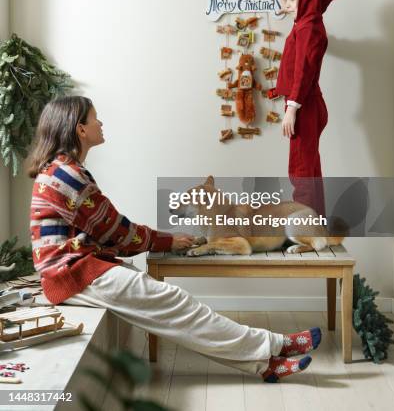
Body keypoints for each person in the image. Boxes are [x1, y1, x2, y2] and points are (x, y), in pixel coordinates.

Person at [28, 96, 322, 383]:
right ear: (80, 129)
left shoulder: (64, 170)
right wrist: (167, 241)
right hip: (74, 274)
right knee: (177, 302)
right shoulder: (66, 175)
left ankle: (264, 364)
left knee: (175, 314)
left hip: (82, 269)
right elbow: (117, 231)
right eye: (95, 118)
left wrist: (163, 240)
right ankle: (276, 344)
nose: (101, 123)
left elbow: (106, 230)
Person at [270, 0, 345, 217]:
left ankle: (303, 229)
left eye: (292, 0)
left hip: (304, 106)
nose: (287, 4)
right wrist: (291, 11)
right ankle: (316, 226)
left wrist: (292, 108)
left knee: (301, 172)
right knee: (310, 170)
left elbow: (303, 69)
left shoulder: (307, 28)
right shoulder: (307, 23)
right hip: (308, 103)